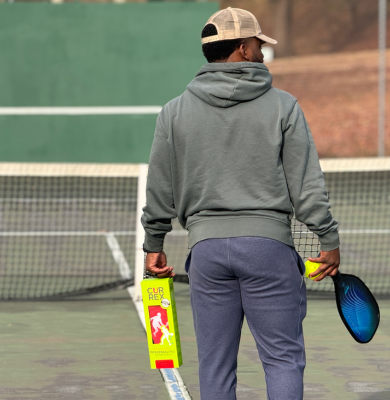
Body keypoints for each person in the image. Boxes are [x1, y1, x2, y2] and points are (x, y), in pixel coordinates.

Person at [141, 7, 340, 400]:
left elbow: (160, 187)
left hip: (207, 254)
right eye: (259, 44)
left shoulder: (174, 112)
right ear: (244, 49)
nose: (263, 52)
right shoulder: (284, 106)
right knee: (282, 359)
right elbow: (306, 186)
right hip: (269, 251)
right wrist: (328, 239)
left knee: (214, 365)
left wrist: (154, 245)